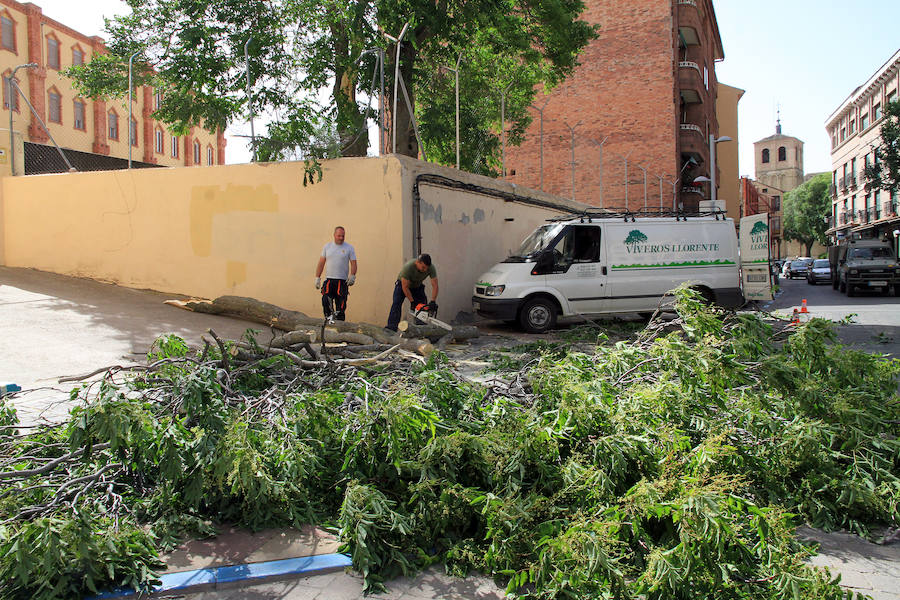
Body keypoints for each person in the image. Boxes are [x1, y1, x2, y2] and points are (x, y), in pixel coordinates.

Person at [385, 253, 438, 332]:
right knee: (396, 304)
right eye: (423, 267)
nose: (425, 270)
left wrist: (433, 301)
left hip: (417, 286)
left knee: (422, 306)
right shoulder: (408, 267)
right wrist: (412, 302)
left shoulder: (431, 268)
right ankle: (391, 328)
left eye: (427, 268)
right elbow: (405, 287)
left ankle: (421, 328)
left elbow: (435, 285)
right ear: (418, 262)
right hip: (402, 285)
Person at [315, 226, 357, 321]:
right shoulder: (327, 247)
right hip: (330, 279)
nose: (341, 238)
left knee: (341, 305)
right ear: (334, 235)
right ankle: (329, 320)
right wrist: (317, 277)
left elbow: (354, 263)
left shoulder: (349, 248)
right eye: (339, 236)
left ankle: (340, 324)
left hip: (342, 282)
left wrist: (353, 276)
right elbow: (321, 263)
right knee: (325, 299)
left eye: (343, 236)